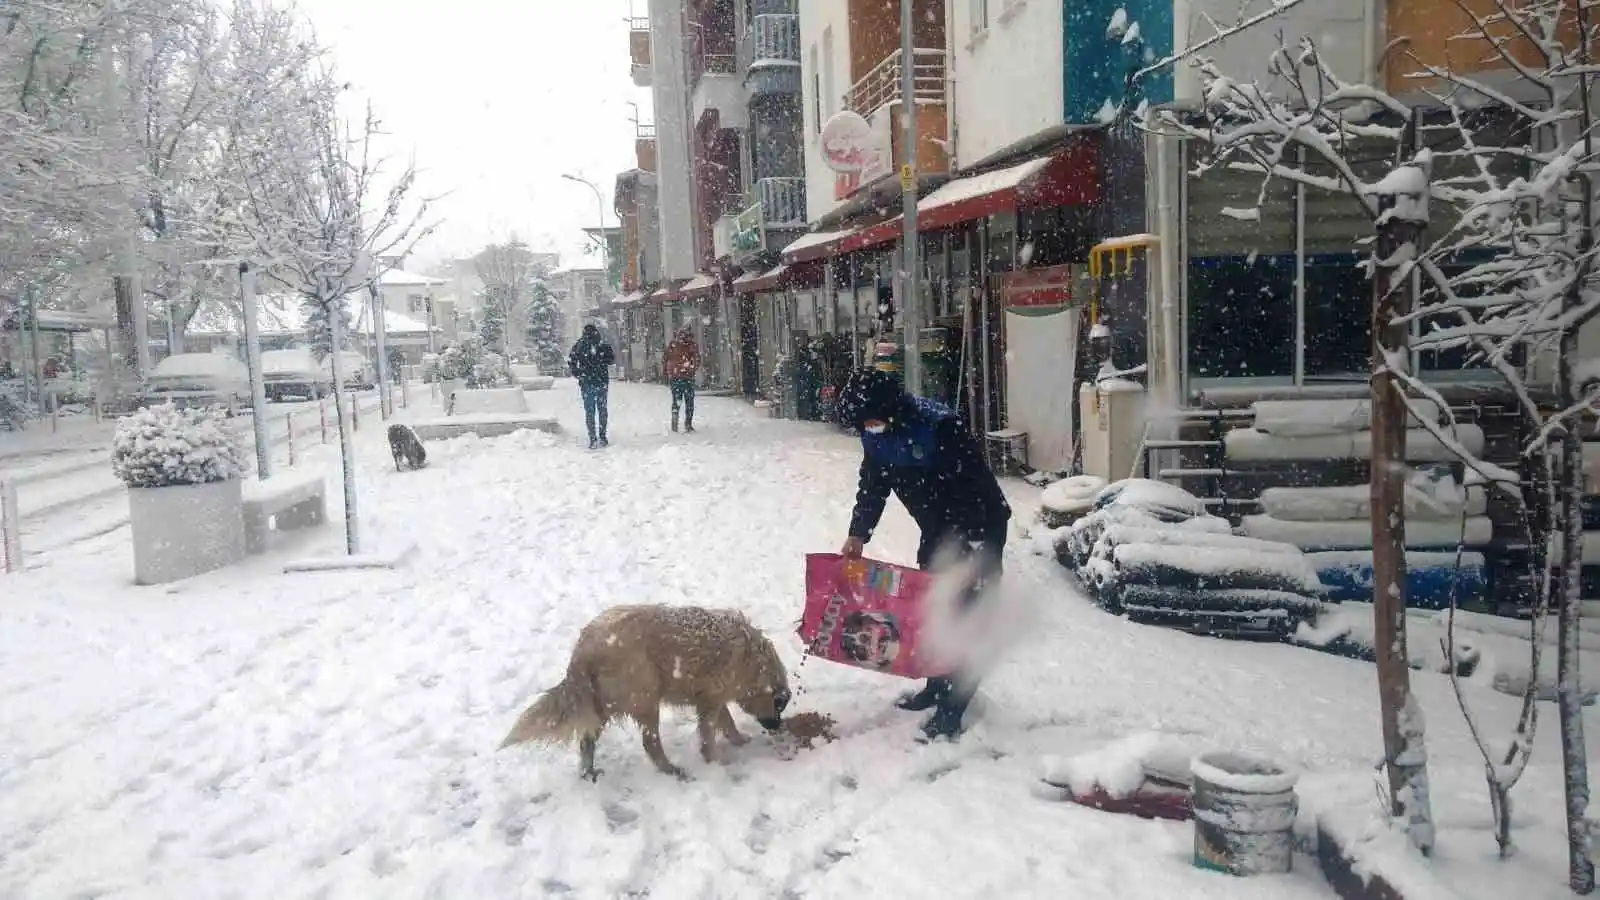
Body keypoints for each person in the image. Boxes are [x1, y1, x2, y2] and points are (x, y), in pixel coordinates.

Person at [837, 367, 1011, 741]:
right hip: (937, 528)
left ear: (887, 408)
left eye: (867, 420)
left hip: (978, 524)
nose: (865, 429)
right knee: (934, 608)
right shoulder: (877, 434)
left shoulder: (938, 428)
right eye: (860, 425)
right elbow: (872, 486)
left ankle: (953, 709)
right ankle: (937, 687)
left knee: (965, 614)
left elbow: (972, 489)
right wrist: (858, 533)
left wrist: (968, 555)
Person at [568, 324, 615, 449]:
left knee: (590, 411)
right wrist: (601, 361)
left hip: (587, 381)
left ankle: (592, 438)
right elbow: (611, 359)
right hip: (601, 381)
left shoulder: (579, 344)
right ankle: (602, 436)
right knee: (602, 409)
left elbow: (572, 361)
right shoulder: (602, 344)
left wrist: (578, 373)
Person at [664, 326, 700, 433]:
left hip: (676, 377)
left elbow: (665, 359)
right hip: (686, 377)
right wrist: (691, 369)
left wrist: (667, 373)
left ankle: (675, 424)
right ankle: (688, 424)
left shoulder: (673, 345)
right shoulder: (691, 346)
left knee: (676, 401)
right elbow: (697, 360)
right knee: (689, 401)